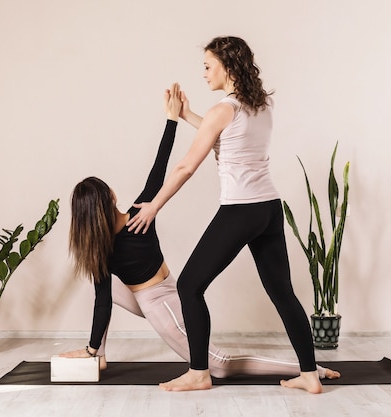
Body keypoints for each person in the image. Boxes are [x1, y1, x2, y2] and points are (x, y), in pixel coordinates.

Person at [59, 83, 340, 382]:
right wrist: (171, 119)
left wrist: (91, 348)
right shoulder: (141, 215)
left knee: (106, 290)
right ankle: (311, 370)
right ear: (111, 196)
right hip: (157, 305)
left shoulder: (99, 245)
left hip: (153, 301)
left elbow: (103, 301)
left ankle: (95, 353)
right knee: (220, 365)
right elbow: (161, 166)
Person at [126, 37, 325, 393]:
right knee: (282, 292)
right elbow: (225, 135)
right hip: (269, 210)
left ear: (227, 66)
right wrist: (187, 114)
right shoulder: (262, 105)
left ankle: (198, 372)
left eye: (207, 65)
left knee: (189, 285)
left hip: (240, 209)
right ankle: (309, 375)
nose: (203, 73)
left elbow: (187, 165)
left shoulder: (223, 110)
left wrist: (154, 205)